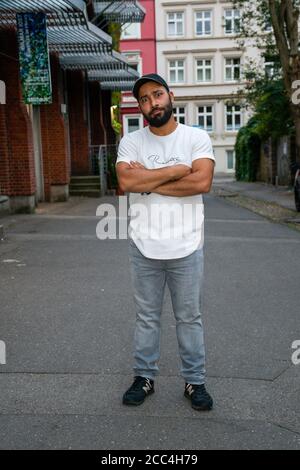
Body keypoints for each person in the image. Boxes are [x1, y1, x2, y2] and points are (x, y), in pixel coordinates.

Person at [116, 73, 215, 411]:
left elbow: (201, 181)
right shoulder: (131, 142)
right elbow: (127, 181)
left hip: (187, 246)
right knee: (147, 317)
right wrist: (176, 170)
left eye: (157, 95)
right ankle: (144, 377)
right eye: (144, 99)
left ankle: (195, 382)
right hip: (143, 245)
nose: (151, 103)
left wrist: (149, 179)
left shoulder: (196, 137)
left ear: (170, 95)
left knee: (189, 318)